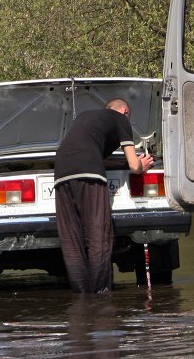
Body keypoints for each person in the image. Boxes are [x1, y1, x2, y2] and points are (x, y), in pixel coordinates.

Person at [53, 98, 153, 293]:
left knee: (72, 240)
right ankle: (100, 296)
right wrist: (142, 165)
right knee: (98, 235)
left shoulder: (84, 119)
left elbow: (94, 154)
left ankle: (81, 296)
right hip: (89, 172)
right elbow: (134, 165)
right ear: (124, 111)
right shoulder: (120, 119)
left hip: (61, 172)